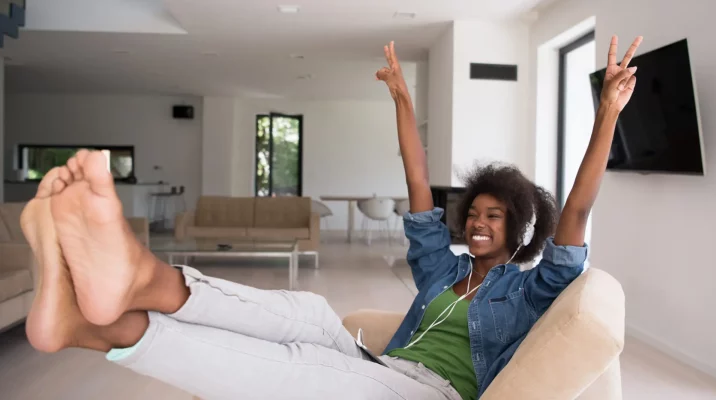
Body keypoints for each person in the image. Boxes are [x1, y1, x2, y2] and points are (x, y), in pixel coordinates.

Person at [21, 35, 642, 400]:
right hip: (381, 364)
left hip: (426, 394)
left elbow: (580, 207)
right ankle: (128, 289)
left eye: (495, 217)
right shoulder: (442, 270)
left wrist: (608, 110)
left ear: (519, 228)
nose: (479, 223)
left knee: (298, 368)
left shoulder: (531, 287)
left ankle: (97, 324)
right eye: (474, 213)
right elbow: (416, 180)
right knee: (308, 313)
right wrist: (403, 100)